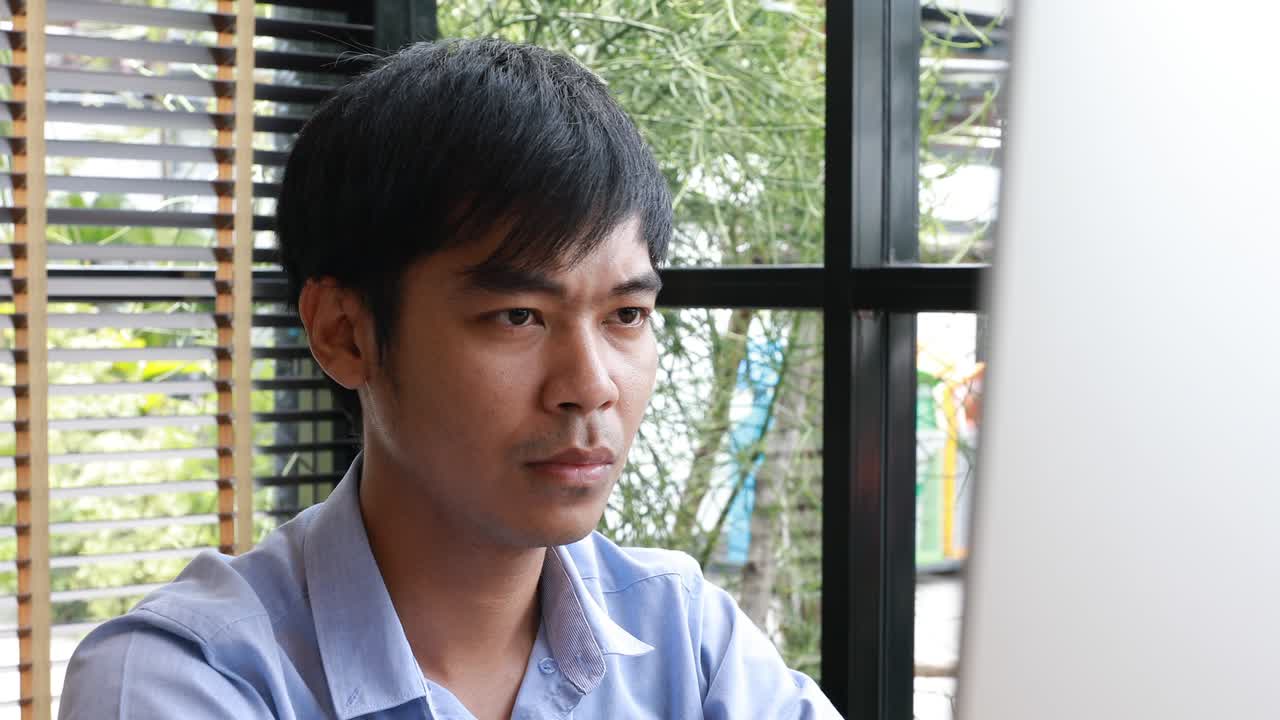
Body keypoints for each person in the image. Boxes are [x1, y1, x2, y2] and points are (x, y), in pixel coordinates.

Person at [58, 38, 841, 719]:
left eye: (625, 316)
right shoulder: (191, 677)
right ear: (344, 333)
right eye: (518, 316)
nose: (590, 386)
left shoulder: (685, 636)